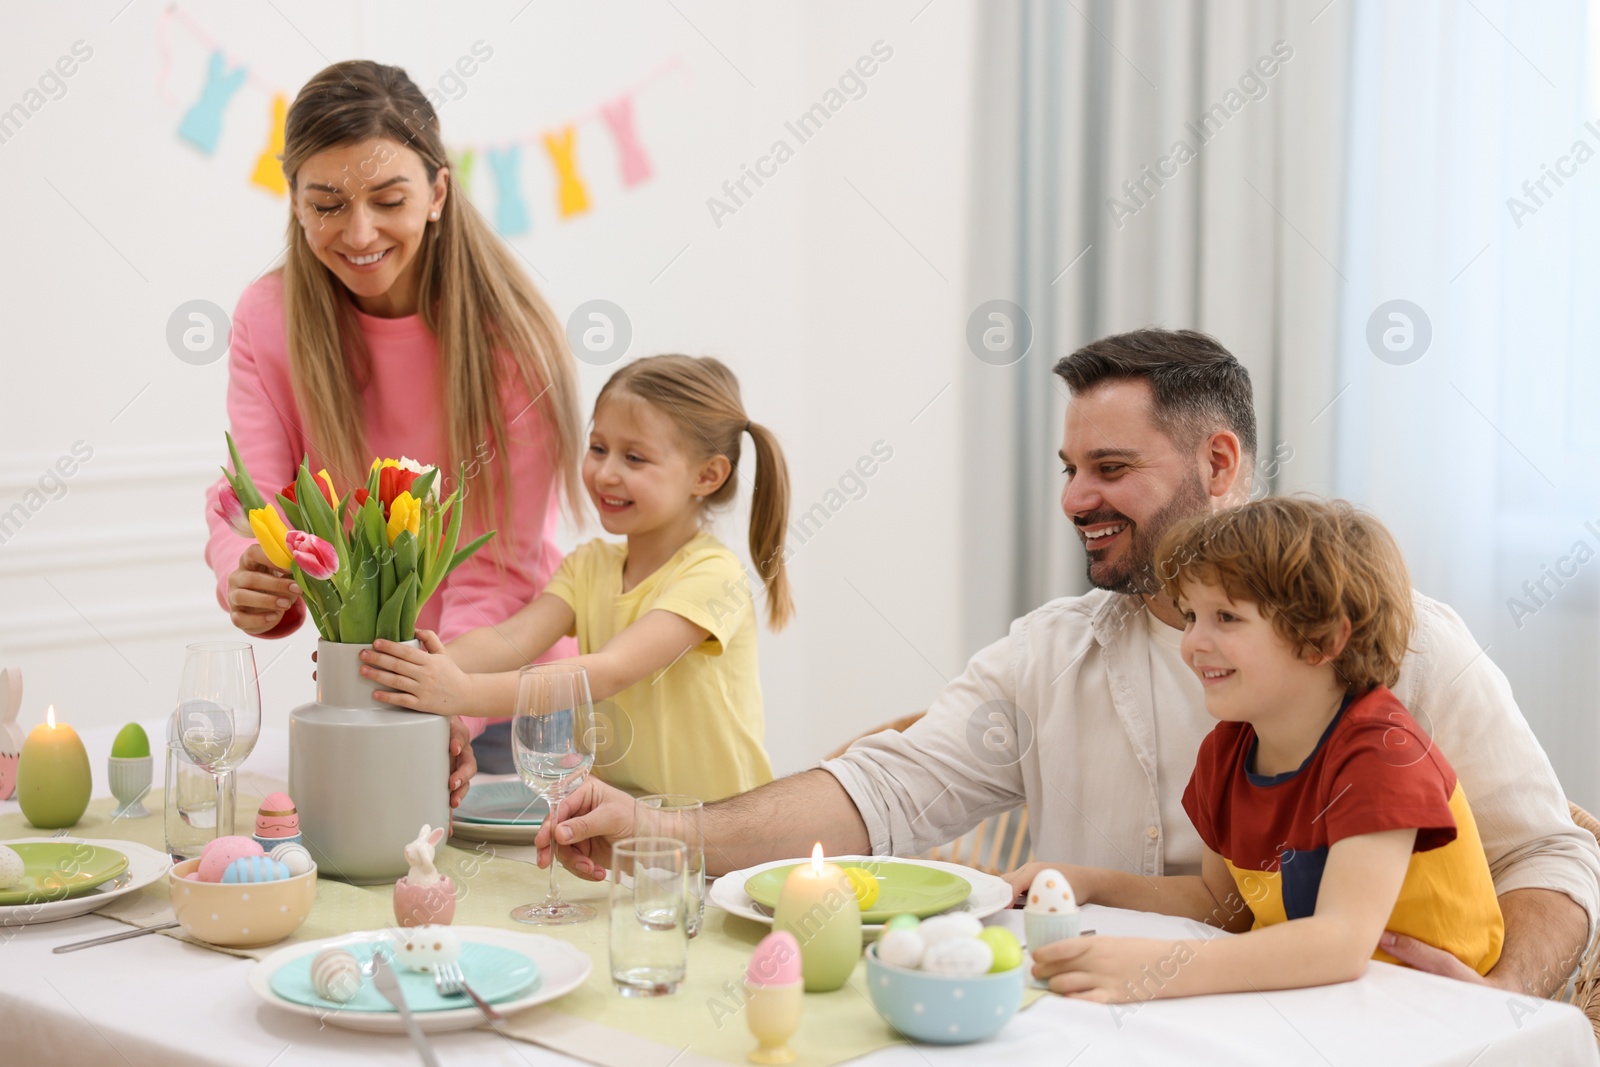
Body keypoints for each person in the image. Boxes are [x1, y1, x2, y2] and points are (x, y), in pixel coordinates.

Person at [535, 328, 1600, 998]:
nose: (1073, 497)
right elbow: (886, 789)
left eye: (1110, 466)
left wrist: (1488, 1009)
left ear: (1217, 461)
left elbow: (1553, 857)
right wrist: (656, 830)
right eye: (1066, 467)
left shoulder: (1395, 644)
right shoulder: (1048, 650)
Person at [201, 61, 585, 802]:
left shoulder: (512, 342)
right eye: (328, 204)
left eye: (388, 199)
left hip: (504, 699)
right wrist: (246, 569)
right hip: (370, 692)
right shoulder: (266, 319)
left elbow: (496, 567)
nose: (360, 232)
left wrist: (442, 700)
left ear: (438, 192)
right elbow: (255, 498)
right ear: (295, 203)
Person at [1015, 497, 1503, 1002]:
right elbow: (1220, 905)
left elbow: (1339, 943)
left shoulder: (1382, 755)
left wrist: (1154, 969)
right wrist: (1086, 881)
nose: (1192, 644)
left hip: (1436, 1014)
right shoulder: (1225, 753)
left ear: (1323, 639)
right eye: (1190, 616)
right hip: (1320, 1003)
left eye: (1225, 617)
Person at [354, 355, 792, 800]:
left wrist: (462, 692)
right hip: (627, 821)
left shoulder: (715, 575)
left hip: (718, 829)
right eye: (598, 448)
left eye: (634, 457)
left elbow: (609, 671)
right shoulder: (589, 565)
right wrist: (407, 664)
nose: (605, 473)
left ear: (707, 476)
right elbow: (512, 638)